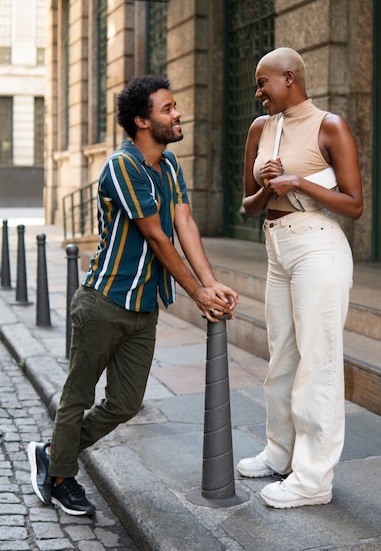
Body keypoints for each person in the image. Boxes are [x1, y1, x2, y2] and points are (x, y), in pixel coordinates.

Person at [28, 75, 238, 516]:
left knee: (125, 403)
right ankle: (62, 477)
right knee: (78, 397)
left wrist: (211, 282)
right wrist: (198, 294)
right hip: (103, 303)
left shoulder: (171, 165)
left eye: (176, 106)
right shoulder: (123, 166)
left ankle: (53, 452)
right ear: (142, 121)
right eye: (168, 109)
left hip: (144, 308)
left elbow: (185, 225)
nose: (178, 114)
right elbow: (159, 239)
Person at [236, 47, 363, 509]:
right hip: (276, 248)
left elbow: (354, 203)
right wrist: (268, 186)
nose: (257, 92)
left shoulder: (330, 125)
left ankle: (312, 479)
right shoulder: (259, 129)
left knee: (318, 362)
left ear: (289, 78)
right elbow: (248, 205)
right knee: (282, 358)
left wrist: (299, 182)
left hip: (318, 246)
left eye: (262, 81)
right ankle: (279, 452)